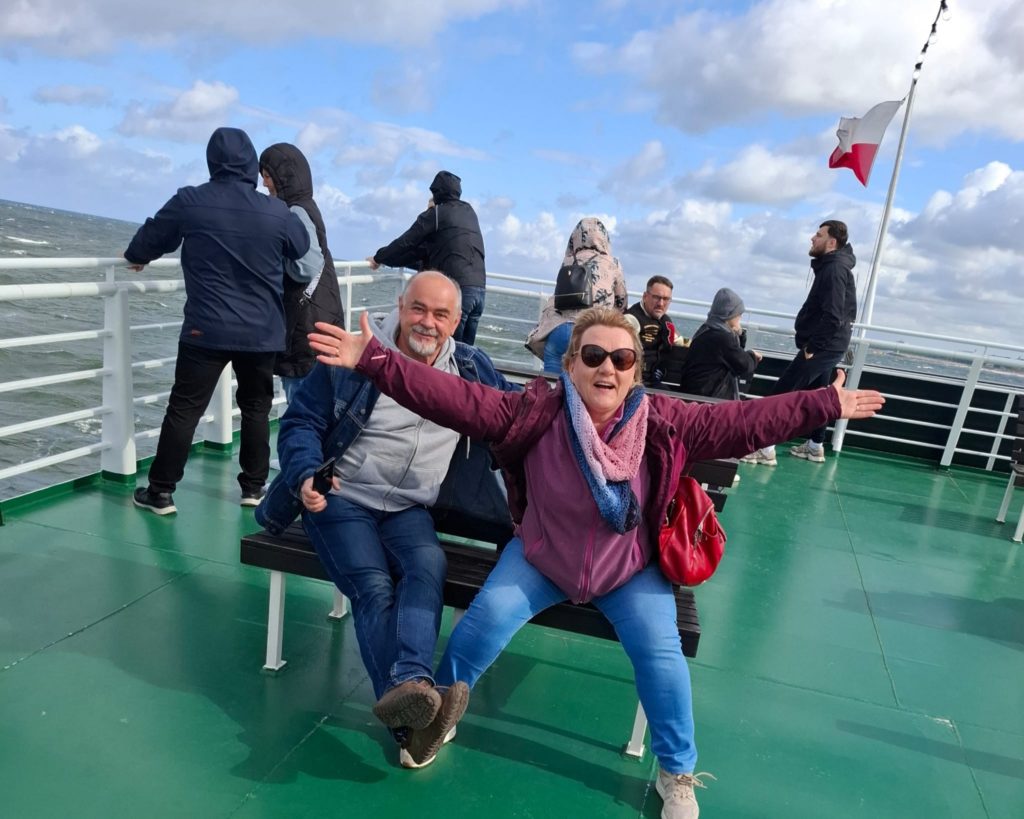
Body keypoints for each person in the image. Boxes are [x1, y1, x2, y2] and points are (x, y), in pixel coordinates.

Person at [309, 306, 884, 818]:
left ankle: (677, 771)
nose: (607, 368)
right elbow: (455, 398)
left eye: (622, 358)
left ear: (635, 371)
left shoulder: (664, 421)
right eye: (593, 356)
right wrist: (376, 360)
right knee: (479, 626)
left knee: (661, 656)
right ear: (570, 367)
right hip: (542, 557)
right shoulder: (534, 412)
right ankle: (436, 721)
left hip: (629, 570)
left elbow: (746, 424)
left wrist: (825, 403)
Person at [256, 270, 516, 770]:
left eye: (440, 314)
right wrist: (306, 472)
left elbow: (520, 415)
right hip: (341, 496)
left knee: (427, 567)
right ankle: (412, 715)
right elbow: (301, 422)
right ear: (400, 306)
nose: (427, 322)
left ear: (456, 322)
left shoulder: (470, 368)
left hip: (409, 507)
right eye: (418, 308)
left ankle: (413, 698)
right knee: (374, 585)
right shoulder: (357, 355)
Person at [125, 127, 310, 515]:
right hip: (261, 332)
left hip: (204, 329)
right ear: (250, 163)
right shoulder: (275, 211)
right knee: (256, 409)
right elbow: (301, 246)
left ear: (212, 161)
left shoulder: (191, 201)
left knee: (184, 409)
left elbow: (153, 237)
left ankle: (161, 492)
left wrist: (137, 256)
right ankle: (253, 488)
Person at [743, 219, 857, 466]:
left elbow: (833, 315)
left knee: (783, 393)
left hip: (823, 345)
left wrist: (812, 347)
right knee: (819, 394)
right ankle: (815, 446)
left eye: (818, 235)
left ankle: (765, 448)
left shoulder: (834, 269)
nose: (812, 238)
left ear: (831, 242)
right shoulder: (833, 266)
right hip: (830, 344)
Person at [258, 142, 344, 403]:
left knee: (301, 408)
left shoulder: (295, 211)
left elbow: (306, 267)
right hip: (319, 318)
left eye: (268, 176)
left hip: (304, 326)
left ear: (284, 177)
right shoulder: (306, 206)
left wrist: (275, 260)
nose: (264, 183)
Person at [367, 171, 486, 345]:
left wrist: (378, 258)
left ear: (436, 192)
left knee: (449, 350)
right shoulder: (468, 212)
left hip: (459, 291)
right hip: (479, 291)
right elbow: (420, 255)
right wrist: (385, 259)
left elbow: (406, 242)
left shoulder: (436, 214)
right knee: (466, 352)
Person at [526, 217, 627, 373]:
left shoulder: (568, 261)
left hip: (558, 329)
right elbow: (621, 302)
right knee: (583, 381)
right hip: (590, 331)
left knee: (552, 381)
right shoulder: (613, 263)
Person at [677, 288, 761, 400]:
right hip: (707, 399)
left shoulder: (706, 329)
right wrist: (753, 355)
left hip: (694, 394)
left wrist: (738, 334)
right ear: (730, 314)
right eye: (739, 313)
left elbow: (733, 357)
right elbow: (744, 366)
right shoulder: (721, 337)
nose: (740, 317)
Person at [626, 275, 678, 386]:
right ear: (645, 296)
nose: (661, 303)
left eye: (666, 299)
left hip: (655, 381)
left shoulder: (665, 321)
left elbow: (677, 340)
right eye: (656, 297)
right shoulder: (631, 319)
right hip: (635, 382)